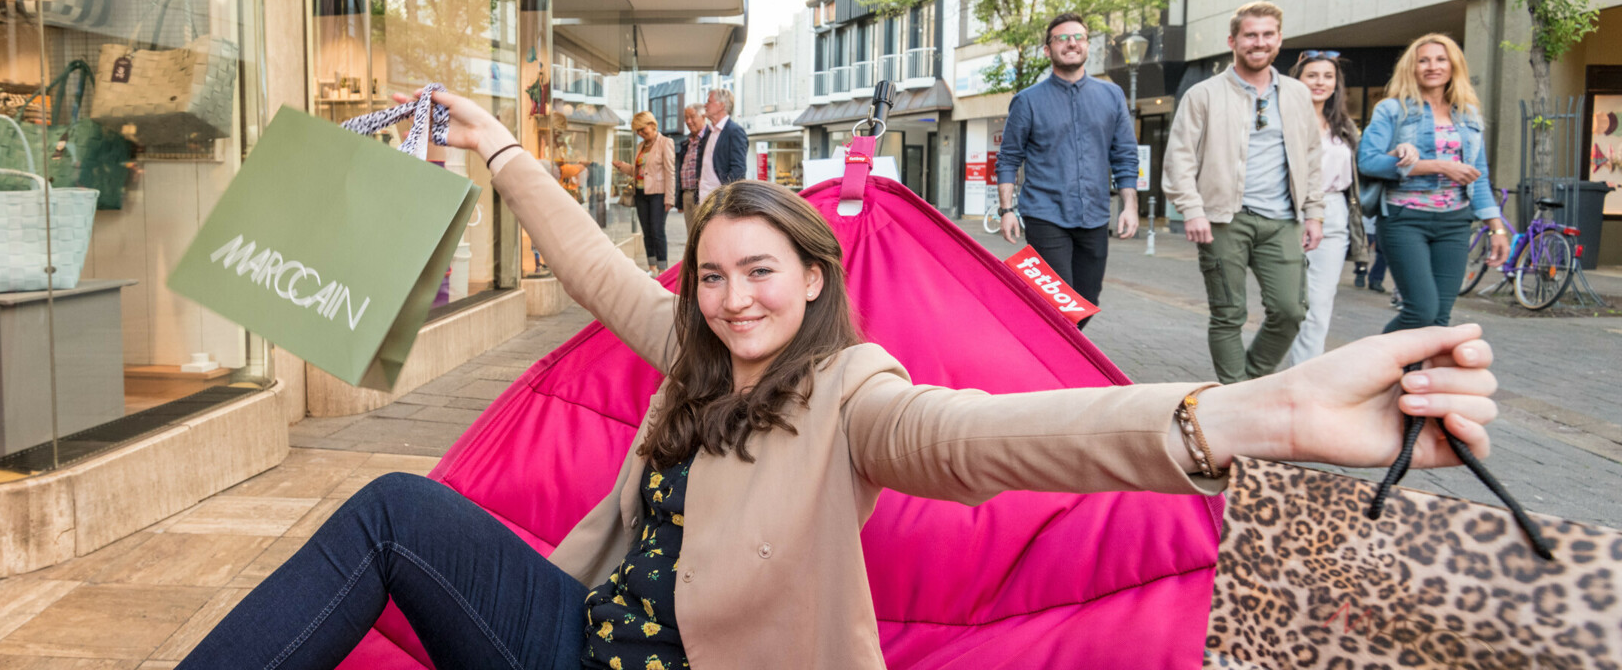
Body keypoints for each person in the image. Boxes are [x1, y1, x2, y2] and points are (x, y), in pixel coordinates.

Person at [176, 87, 1503, 670]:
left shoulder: (858, 398)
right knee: (394, 513)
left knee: (389, 515)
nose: (733, 298)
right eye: (712, 276)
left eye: (761, 273)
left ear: (813, 280)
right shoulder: (694, 353)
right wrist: (499, 151)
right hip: (573, 643)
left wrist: (1263, 413)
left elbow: (1011, 437)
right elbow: (590, 266)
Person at [1162, 1, 1324, 384]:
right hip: (1223, 219)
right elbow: (1179, 157)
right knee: (1228, 314)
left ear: (1279, 40)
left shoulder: (1297, 94)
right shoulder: (1203, 94)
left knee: (1291, 311)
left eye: (1267, 35)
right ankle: (1235, 398)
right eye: (1250, 35)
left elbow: (1311, 156)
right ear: (1232, 41)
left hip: (1282, 220)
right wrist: (1192, 209)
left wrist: (1314, 212)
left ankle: (1245, 385)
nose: (1259, 42)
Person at [995, 12, 1140, 329]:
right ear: (1048, 50)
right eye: (1062, 38)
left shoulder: (1112, 95)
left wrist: (1130, 206)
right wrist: (1006, 210)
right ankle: (1047, 357)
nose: (1071, 43)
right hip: (1045, 215)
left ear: (1087, 45)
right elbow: (1008, 158)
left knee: (1086, 302)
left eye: (1078, 37)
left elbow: (1125, 156)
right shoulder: (1027, 101)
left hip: (1095, 215)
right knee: (1058, 304)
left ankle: (1040, 347)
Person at [1358, 34, 1511, 332]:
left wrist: (1497, 229)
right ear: (1411, 68)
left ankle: (1415, 366)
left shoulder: (1467, 113)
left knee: (1440, 320)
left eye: (1441, 59)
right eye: (1423, 60)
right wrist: (1437, 166)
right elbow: (1368, 161)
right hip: (1404, 219)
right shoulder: (1392, 109)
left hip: (1455, 222)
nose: (1433, 66)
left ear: (1453, 66)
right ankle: (1373, 360)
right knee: (1421, 311)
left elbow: (1478, 174)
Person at [1281, 50, 1360, 366]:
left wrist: (1400, 152)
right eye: (1312, 75)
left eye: (1328, 76)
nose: (1320, 82)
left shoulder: (1344, 125)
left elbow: (1365, 166)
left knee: (1319, 302)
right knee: (1286, 304)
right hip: (1288, 211)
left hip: (1333, 212)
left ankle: (1305, 373)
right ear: (1297, 80)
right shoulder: (1283, 121)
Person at [612, 111, 677, 275]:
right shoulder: (641, 146)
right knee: (647, 232)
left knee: (657, 231)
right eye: (638, 131)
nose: (640, 133)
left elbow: (670, 172)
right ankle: (652, 267)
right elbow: (639, 171)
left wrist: (669, 198)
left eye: (643, 129)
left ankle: (662, 269)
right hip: (640, 193)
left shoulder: (665, 142)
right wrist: (622, 166)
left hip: (658, 194)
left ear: (652, 125)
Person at [699, 88, 749, 192]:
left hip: (720, 198)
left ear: (721, 105)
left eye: (709, 102)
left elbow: (738, 170)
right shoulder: (708, 132)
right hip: (703, 197)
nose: (705, 105)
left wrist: (726, 195)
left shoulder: (735, 132)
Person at [679, 104, 707, 214]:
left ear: (703, 117)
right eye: (686, 118)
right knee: (690, 226)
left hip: (703, 194)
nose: (688, 121)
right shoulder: (686, 142)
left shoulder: (709, 138)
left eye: (692, 117)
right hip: (686, 194)